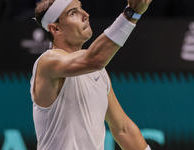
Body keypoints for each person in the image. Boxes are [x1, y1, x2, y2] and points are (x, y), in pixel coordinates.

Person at [30, 0, 152, 149]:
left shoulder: (97, 71)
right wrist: (131, 14)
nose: (85, 15)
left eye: (81, 8)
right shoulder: (47, 62)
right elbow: (95, 59)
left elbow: (123, 129)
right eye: (73, 13)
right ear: (55, 29)